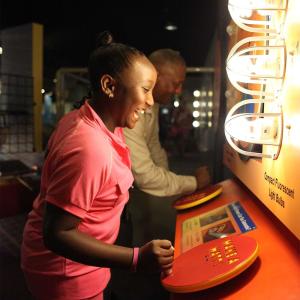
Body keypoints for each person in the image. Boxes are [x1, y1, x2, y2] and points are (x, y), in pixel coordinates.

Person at [21, 32, 174, 300]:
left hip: (75, 268)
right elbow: (57, 234)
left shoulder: (95, 122)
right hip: (65, 275)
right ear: (109, 86)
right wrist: (136, 258)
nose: (150, 102)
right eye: (145, 89)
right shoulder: (90, 147)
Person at [124, 48, 210, 199]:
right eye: (176, 84)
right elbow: (144, 175)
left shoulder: (153, 104)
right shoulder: (130, 108)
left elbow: (153, 145)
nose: (178, 91)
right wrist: (194, 183)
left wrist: (168, 180)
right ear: (154, 75)